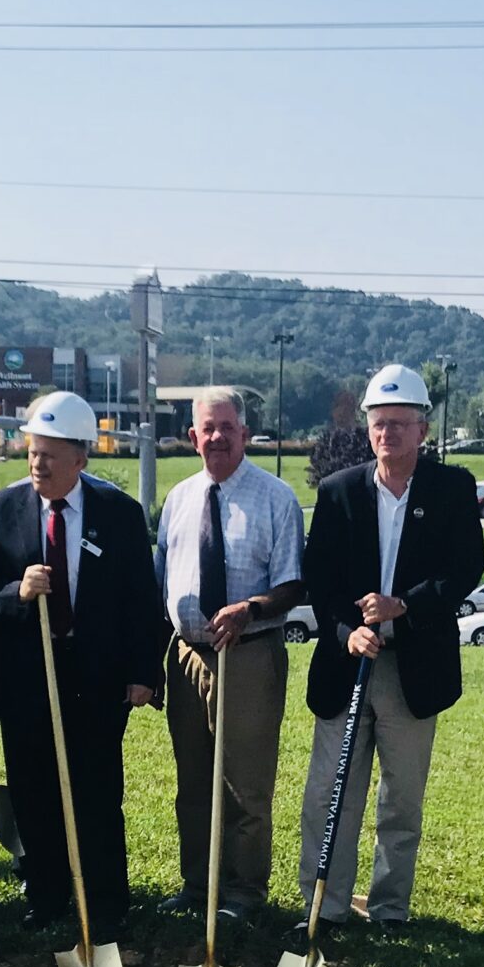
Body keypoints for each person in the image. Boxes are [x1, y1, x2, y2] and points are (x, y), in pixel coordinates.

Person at [291, 365, 483, 930]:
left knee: (401, 802)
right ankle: (324, 908)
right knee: (331, 795)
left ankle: (389, 909)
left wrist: (407, 605)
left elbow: (465, 568)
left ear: (423, 430)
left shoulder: (452, 488)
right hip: (347, 664)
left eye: (400, 424)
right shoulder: (339, 491)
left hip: (413, 668)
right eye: (379, 424)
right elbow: (319, 581)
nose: (388, 434)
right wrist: (345, 630)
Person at [0, 390, 162, 936]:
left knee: (98, 790)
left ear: (81, 457)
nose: (38, 464)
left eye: (50, 454)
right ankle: (47, 895)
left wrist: (144, 671)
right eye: (32, 452)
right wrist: (15, 593)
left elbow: (142, 597)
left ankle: (105, 902)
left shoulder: (118, 514)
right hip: (28, 678)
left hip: (96, 678)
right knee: (34, 790)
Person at [154, 387, 305, 921]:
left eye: (226, 427)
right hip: (187, 658)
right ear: (192, 437)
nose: (215, 437)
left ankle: (242, 892)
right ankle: (198, 886)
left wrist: (251, 608)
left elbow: (293, 585)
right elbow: (161, 583)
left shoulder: (275, 498)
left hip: (249, 656)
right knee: (192, 782)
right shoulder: (178, 499)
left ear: (245, 433)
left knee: (245, 784)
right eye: (205, 429)